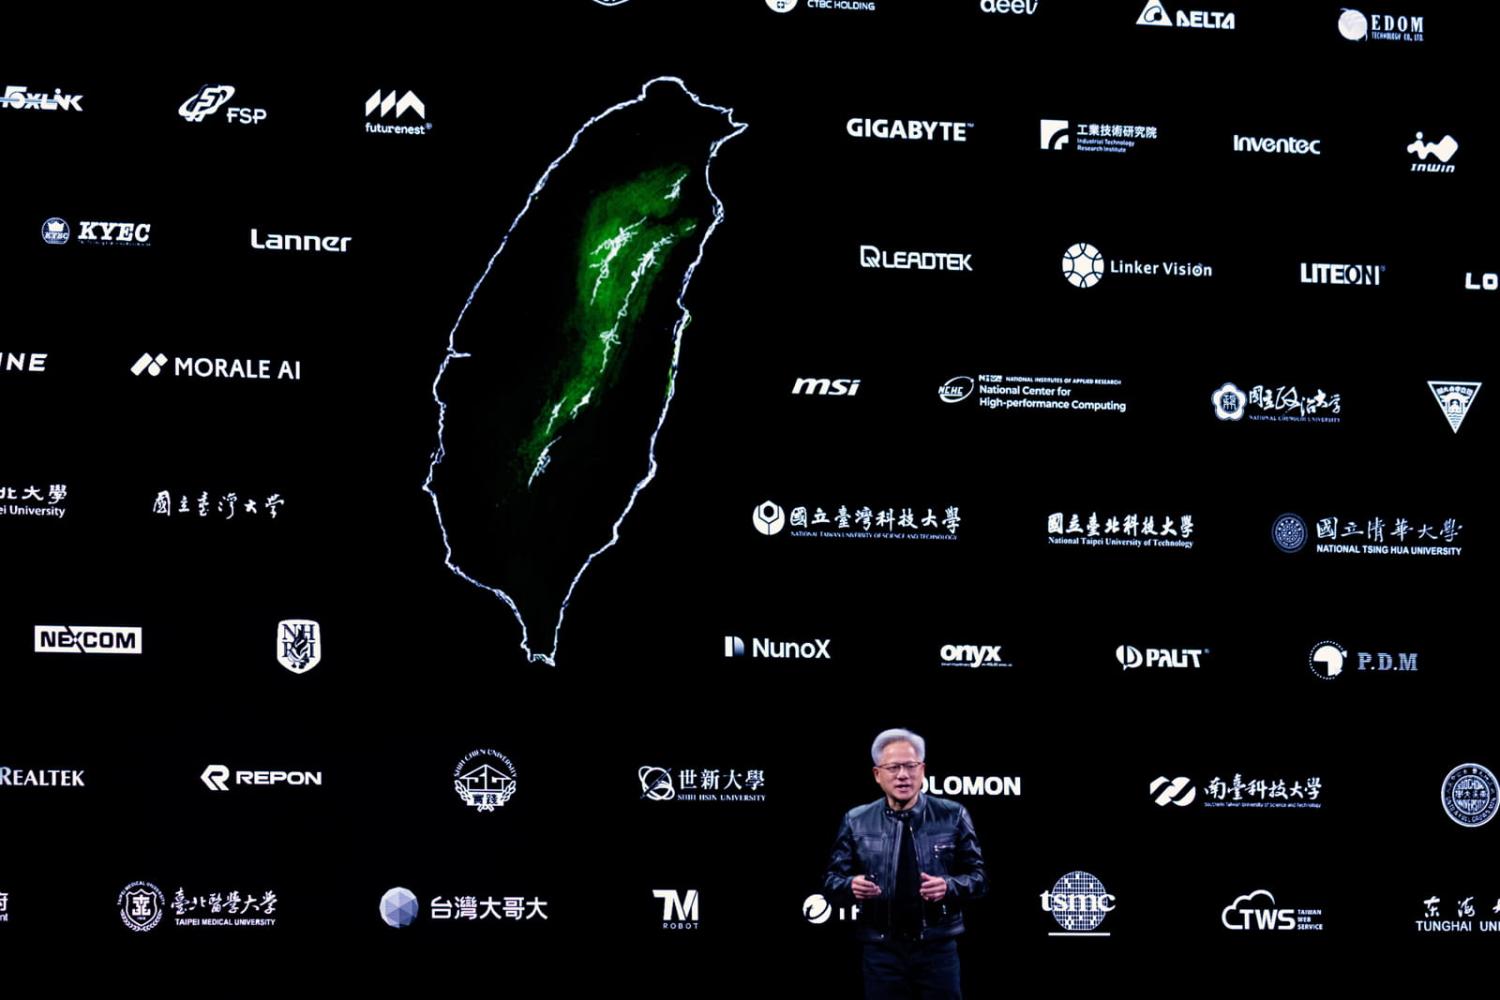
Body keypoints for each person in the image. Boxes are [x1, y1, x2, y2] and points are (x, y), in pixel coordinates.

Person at [823, 728, 987, 999]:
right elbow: (831, 881)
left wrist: (948, 886)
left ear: (922, 770)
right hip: (881, 951)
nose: (903, 775)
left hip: (938, 949)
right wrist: (850, 885)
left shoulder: (953, 815)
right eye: (893, 767)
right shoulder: (856, 820)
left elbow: (979, 878)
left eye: (911, 766)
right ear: (877, 774)